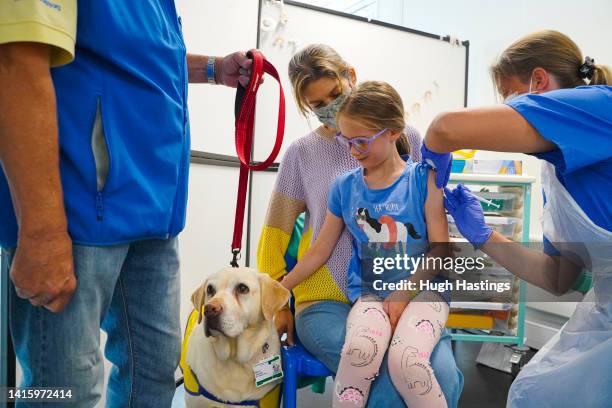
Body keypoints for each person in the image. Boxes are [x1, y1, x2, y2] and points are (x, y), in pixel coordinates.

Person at [0, 2, 252, 406]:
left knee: (154, 372)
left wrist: (213, 68)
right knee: (66, 387)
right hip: (78, 213)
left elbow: (138, 58)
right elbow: (17, 62)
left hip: (154, 211)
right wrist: (40, 231)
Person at [257, 44, 463, 407]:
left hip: (404, 289)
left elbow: (432, 229)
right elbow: (275, 233)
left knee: (442, 374)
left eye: (335, 94)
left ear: (351, 77)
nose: (330, 107)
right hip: (324, 298)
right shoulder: (302, 155)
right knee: (382, 375)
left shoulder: (408, 139)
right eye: (318, 104)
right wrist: (276, 299)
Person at [420, 30, 612, 407]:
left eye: (509, 96)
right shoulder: (555, 176)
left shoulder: (598, 106)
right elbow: (556, 277)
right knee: (536, 392)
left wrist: (430, 154)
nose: (508, 107)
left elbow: (445, 128)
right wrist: (484, 234)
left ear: (538, 81)